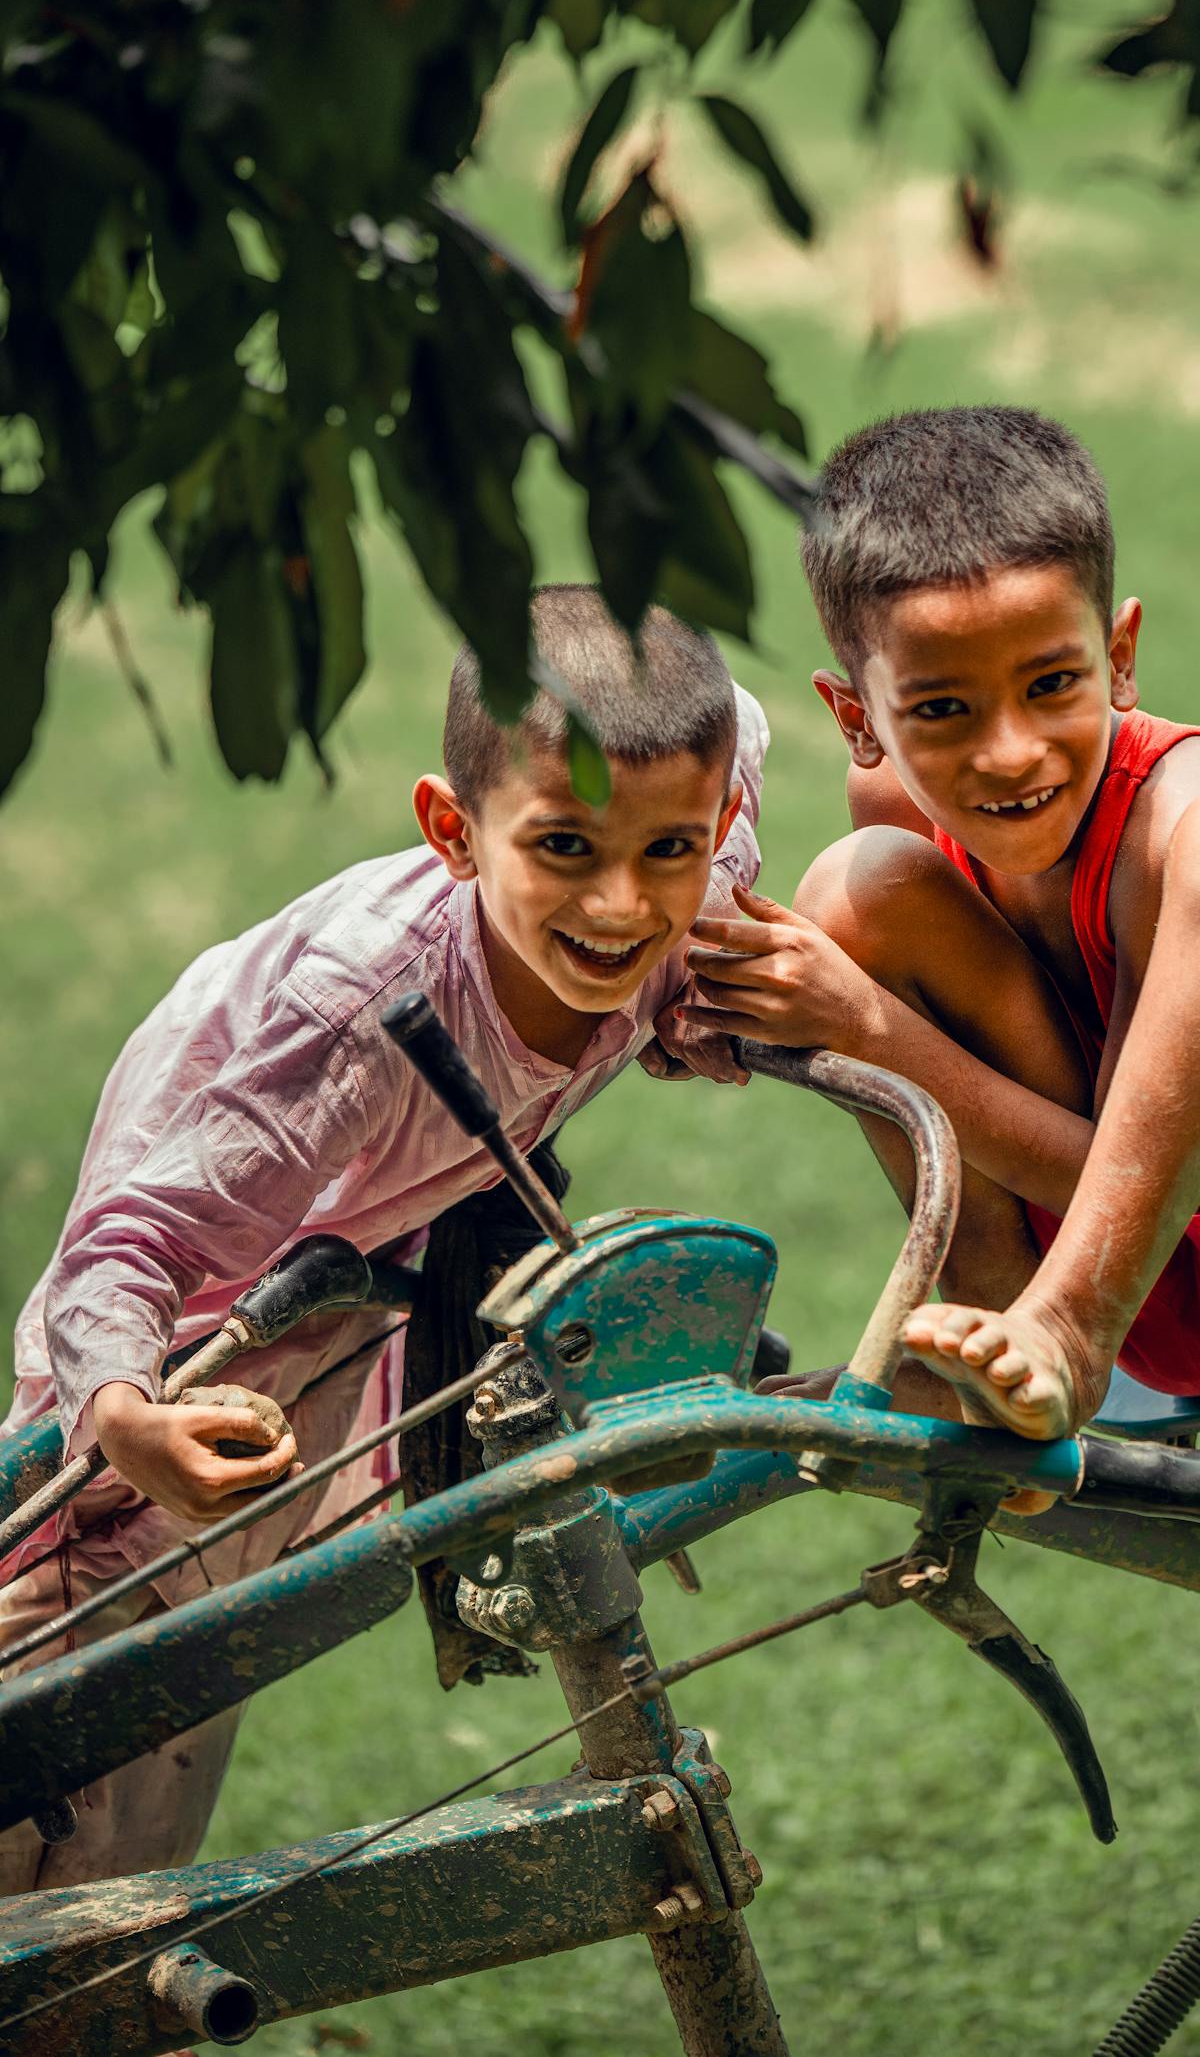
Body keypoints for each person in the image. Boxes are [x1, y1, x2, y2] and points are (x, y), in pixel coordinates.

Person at [0, 585, 765, 1892]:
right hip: (211, 1278)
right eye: (567, 850)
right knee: (90, 1681)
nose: (628, 906)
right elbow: (131, 1245)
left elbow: (734, 729)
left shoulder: (695, 829)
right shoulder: (355, 1028)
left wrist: (720, 983)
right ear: (452, 832)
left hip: (375, 1249)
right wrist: (127, 1416)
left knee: (216, 1645)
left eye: (671, 854)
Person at [681, 405, 1200, 1468]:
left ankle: (1060, 1328)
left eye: (1052, 685)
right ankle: (996, 1342)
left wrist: (865, 1029)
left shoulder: (1197, 828)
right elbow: (1093, 1171)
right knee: (849, 889)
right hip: (1110, 1272)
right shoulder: (897, 816)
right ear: (859, 718)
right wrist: (697, 1007)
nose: (1009, 754)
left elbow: (1157, 1182)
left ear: (1118, 654)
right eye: (942, 711)